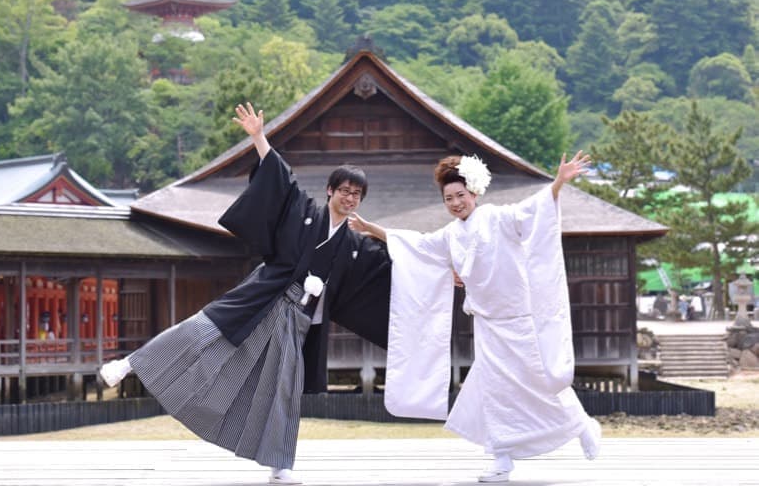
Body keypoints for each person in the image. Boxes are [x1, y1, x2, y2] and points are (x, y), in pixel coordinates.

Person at [99, 102, 391, 485]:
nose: (350, 198)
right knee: (202, 330)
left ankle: (279, 463)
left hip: (296, 318)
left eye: (357, 194)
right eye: (345, 191)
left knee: (283, 389)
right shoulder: (303, 210)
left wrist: (383, 235)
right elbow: (280, 181)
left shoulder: (354, 243)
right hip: (264, 295)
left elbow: (394, 261)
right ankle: (131, 363)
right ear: (330, 191)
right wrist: (258, 137)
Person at [348, 151, 602, 483]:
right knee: (495, 393)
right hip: (487, 325)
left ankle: (581, 424)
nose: (455, 203)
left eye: (460, 196)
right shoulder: (451, 234)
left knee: (541, 383)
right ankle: (502, 458)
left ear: (475, 194)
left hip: (519, 319)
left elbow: (532, 211)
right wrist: (372, 229)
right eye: (448, 198)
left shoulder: (497, 217)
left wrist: (557, 183)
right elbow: (418, 244)